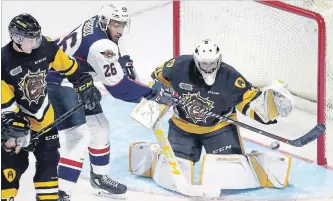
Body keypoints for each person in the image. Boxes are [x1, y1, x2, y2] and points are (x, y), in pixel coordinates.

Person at [129, 39, 295, 193]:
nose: (208, 67)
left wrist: (271, 107)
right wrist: (158, 96)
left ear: (219, 59)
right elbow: (157, 80)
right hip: (182, 127)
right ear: (196, 60)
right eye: (204, 63)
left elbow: (251, 103)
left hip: (219, 128)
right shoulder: (178, 66)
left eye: (212, 63)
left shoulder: (231, 77)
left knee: (228, 172)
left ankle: (259, 166)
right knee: (177, 170)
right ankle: (152, 158)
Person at [45, 3, 173, 200]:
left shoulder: (97, 24)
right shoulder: (101, 46)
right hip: (58, 82)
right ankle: (60, 194)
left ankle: (98, 179)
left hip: (78, 81)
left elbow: (117, 43)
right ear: (105, 22)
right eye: (116, 25)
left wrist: (126, 62)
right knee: (78, 137)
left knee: (100, 128)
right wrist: (151, 93)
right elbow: (119, 89)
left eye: (122, 25)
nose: (119, 30)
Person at [1, 13, 101, 201]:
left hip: (45, 120)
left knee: (48, 163)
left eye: (36, 38)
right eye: (30, 40)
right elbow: (7, 109)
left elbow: (71, 68)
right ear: (16, 38)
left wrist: (85, 84)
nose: (35, 43)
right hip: (14, 127)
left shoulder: (45, 46)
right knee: (13, 166)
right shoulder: (3, 62)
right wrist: (19, 134)